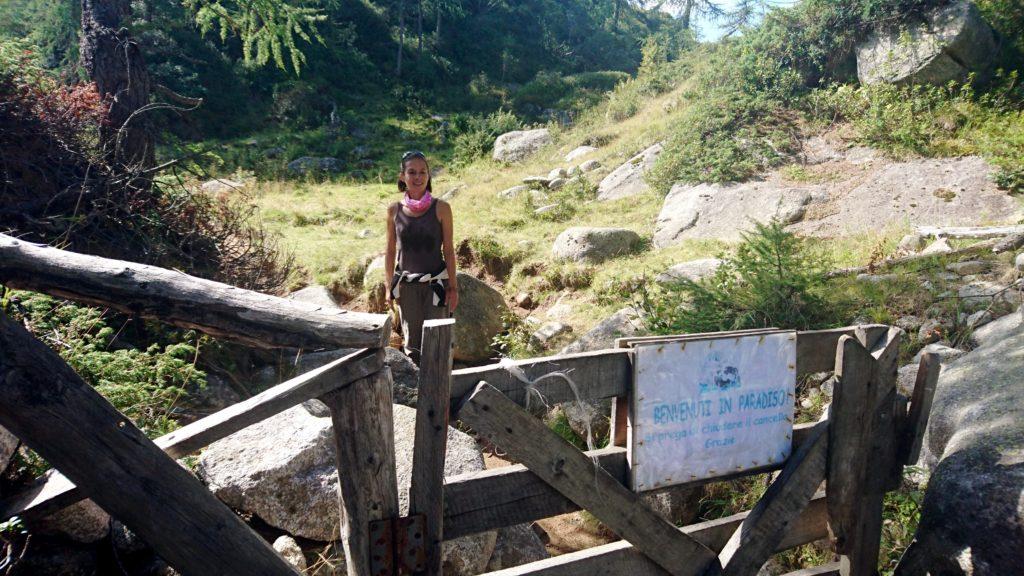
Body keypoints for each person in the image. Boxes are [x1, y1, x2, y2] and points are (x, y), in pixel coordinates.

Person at [385, 151, 458, 364]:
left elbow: (450, 250)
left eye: (423, 172)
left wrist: (452, 287)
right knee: (413, 347)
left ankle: (441, 393)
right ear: (402, 176)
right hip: (407, 289)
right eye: (412, 172)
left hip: (436, 286)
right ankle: (415, 393)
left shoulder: (442, 208)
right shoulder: (394, 210)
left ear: (428, 176)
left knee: (437, 345)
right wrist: (388, 287)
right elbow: (390, 251)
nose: (418, 177)